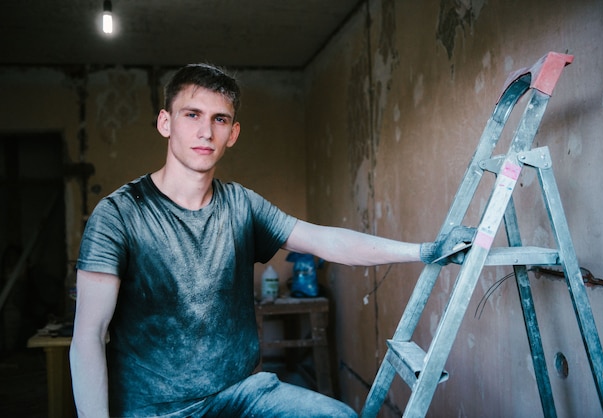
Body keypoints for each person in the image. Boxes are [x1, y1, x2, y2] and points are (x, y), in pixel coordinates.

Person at [69, 63, 474, 418]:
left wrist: (424, 250)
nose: (205, 131)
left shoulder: (242, 206)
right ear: (165, 122)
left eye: (220, 119)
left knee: (339, 416)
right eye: (192, 114)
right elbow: (88, 335)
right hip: (152, 408)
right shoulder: (120, 213)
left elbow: (323, 240)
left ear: (233, 132)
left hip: (241, 395)